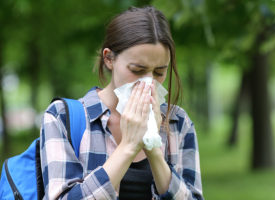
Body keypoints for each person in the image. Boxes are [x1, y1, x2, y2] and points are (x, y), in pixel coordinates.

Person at [40, 6, 204, 200]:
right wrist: (128, 146)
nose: (149, 83)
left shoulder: (178, 122)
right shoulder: (62, 117)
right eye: (137, 70)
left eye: (159, 72)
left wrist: (153, 147)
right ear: (109, 58)